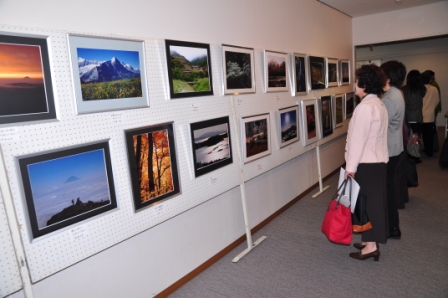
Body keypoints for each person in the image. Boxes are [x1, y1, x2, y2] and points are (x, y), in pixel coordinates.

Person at [345, 64, 389, 261]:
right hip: (378, 162)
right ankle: (369, 241)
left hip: (366, 163)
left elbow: (357, 141)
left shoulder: (364, 108)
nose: (355, 84)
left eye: (357, 80)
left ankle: (371, 246)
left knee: (368, 205)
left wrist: (350, 168)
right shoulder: (379, 104)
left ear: (364, 83)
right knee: (372, 203)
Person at [380, 61, 407, 236]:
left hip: (388, 149)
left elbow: (380, 126)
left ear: (387, 77)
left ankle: (392, 227)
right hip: (395, 146)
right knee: (388, 186)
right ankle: (393, 227)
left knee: (386, 189)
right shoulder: (396, 93)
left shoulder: (389, 98)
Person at [421, 71, 440, 157]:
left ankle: (418, 152)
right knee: (429, 136)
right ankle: (429, 152)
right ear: (430, 80)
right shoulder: (434, 89)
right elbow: (437, 101)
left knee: (418, 135)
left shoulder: (420, 89)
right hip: (430, 116)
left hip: (421, 115)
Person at [401, 70, 426, 136]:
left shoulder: (403, 89)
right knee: (416, 141)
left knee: (406, 140)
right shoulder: (421, 89)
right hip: (417, 118)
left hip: (406, 118)